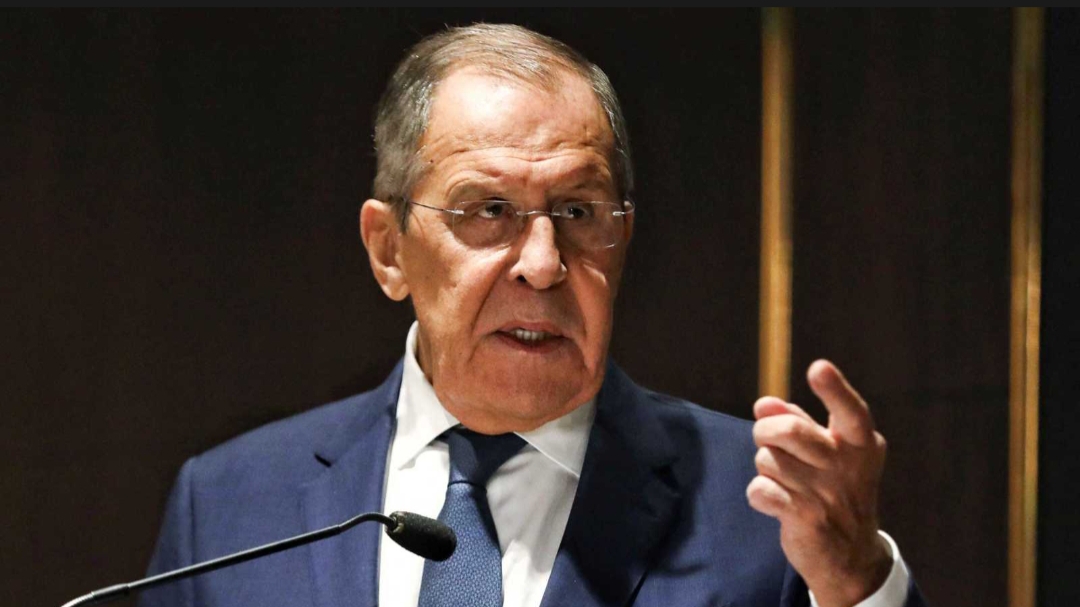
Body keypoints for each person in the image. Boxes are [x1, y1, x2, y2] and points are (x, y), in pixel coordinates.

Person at [140, 23, 926, 607]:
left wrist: (857, 583)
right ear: (388, 249)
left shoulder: (766, 508)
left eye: (579, 211)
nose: (544, 263)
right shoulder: (232, 504)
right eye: (489, 210)